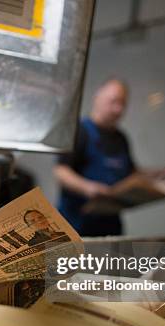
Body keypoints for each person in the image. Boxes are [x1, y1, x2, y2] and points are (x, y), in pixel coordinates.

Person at [54, 78, 136, 236]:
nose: (118, 109)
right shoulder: (80, 131)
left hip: (110, 225)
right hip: (76, 225)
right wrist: (88, 188)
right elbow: (61, 171)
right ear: (97, 97)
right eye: (114, 101)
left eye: (123, 104)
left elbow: (132, 173)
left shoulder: (121, 138)